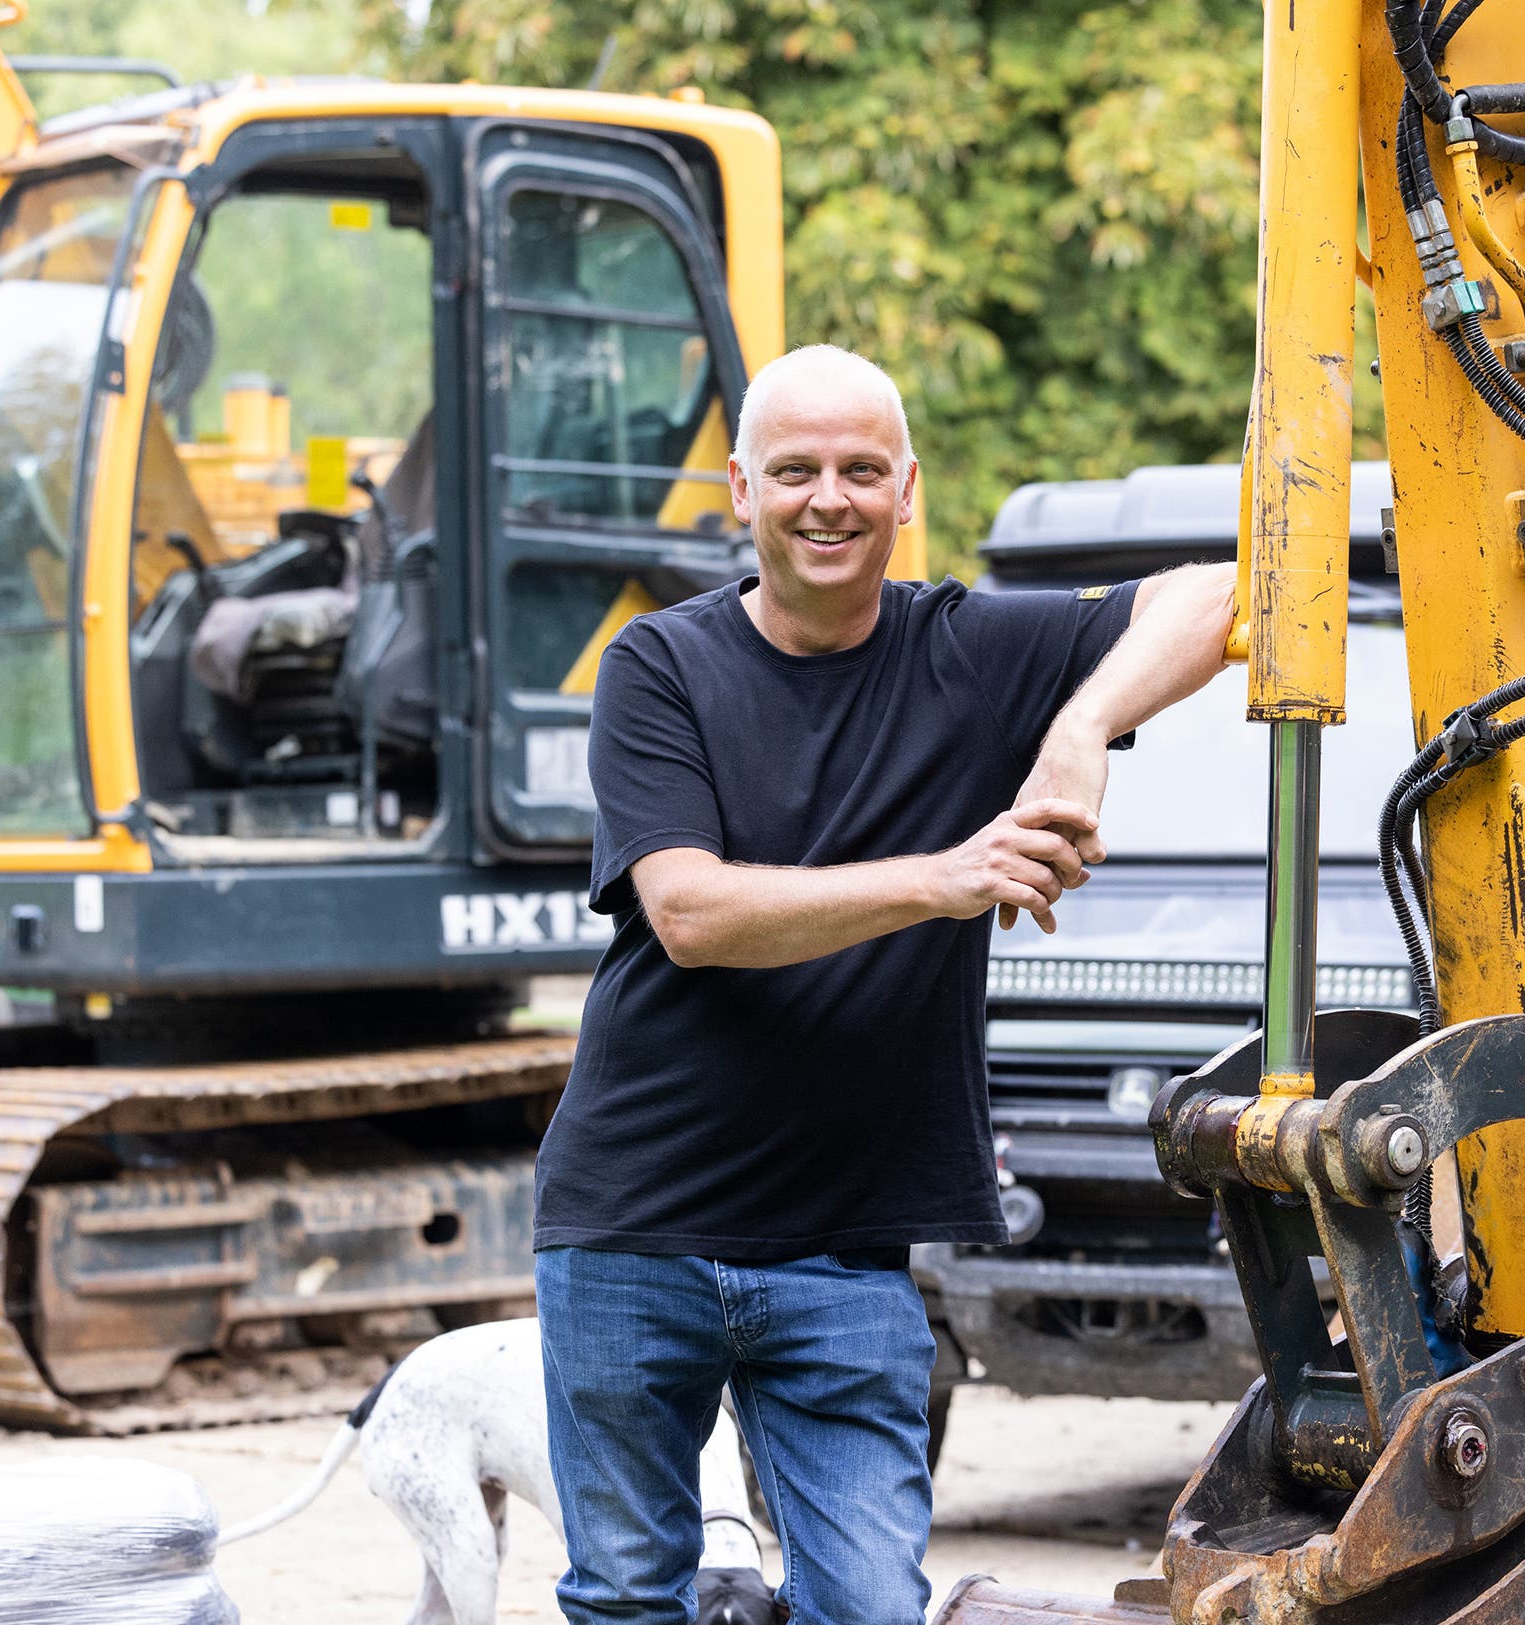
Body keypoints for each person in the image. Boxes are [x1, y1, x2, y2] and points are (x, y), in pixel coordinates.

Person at [532, 344, 1235, 1624]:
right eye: (794, 471)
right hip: (634, 1225)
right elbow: (689, 912)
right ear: (740, 491)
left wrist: (1077, 727)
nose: (828, 499)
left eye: (862, 470)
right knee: (628, 1598)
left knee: (868, 1607)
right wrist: (948, 875)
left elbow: (1222, 593)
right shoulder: (658, 665)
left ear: (907, 489)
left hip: (846, 1250)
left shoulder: (968, 652)